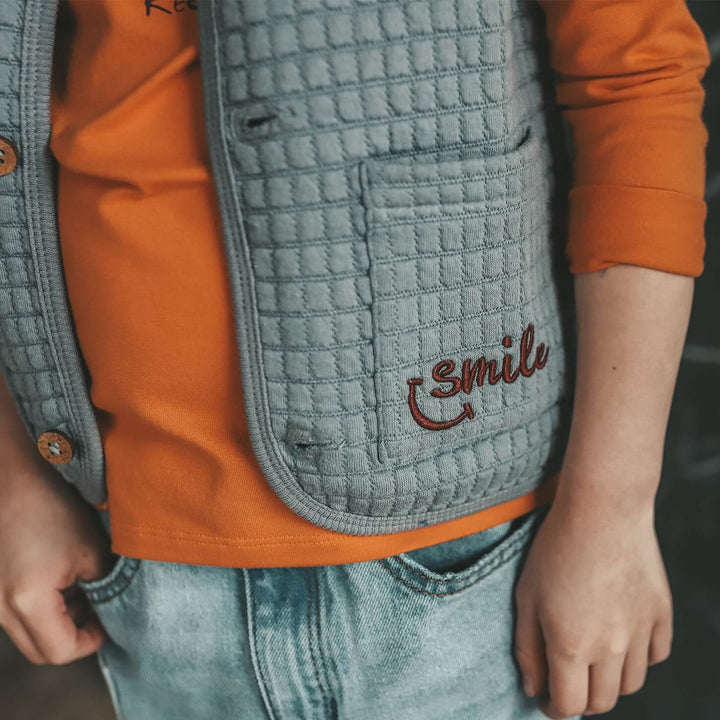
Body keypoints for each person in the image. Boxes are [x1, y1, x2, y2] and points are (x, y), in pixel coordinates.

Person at [0, 1, 710, 718]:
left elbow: (635, 81)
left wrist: (610, 509)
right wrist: (17, 476)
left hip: (459, 542)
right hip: (144, 550)